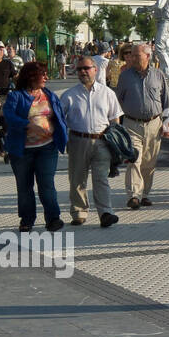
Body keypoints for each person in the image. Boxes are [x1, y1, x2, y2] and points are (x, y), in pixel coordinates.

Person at [3, 61, 69, 232]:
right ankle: (27, 219)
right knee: (24, 187)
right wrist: (28, 125)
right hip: (22, 150)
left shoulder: (49, 95)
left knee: (47, 184)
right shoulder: (16, 96)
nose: (46, 78)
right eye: (43, 74)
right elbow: (8, 116)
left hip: (47, 147)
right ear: (31, 76)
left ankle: (53, 218)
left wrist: (62, 134)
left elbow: (60, 116)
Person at [58, 55, 122, 227]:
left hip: (102, 141)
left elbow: (115, 119)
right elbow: (59, 119)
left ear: (96, 69)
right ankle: (79, 212)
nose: (83, 72)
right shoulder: (68, 95)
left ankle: (106, 213)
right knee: (77, 178)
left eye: (86, 68)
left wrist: (115, 143)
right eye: (79, 69)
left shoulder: (107, 93)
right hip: (78, 140)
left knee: (101, 179)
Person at [115, 44, 169, 211]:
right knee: (134, 160)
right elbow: (117, 101)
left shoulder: (158, 75)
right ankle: (134, 195)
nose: (132, 58)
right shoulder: (125, 76)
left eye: (136, 56)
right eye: (131, 55)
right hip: (132, 124)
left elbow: (166, 101)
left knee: (149, 163)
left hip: (154, 124)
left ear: (147, 57)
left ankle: (145, 194)